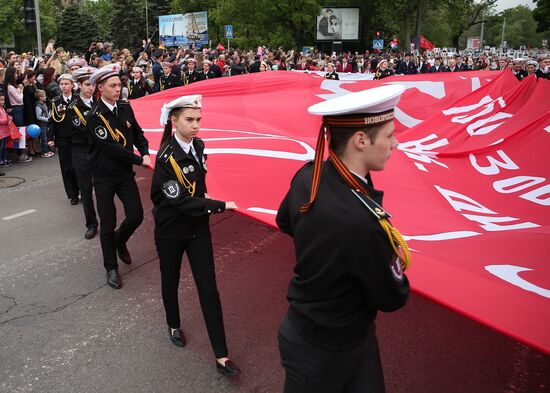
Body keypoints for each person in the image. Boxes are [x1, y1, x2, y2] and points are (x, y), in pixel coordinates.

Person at [276, 85, 411, 393]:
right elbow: (392, 296)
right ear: (360, 140)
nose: (396, 143)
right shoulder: (362, 223)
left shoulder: (307, 175)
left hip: (325, 336)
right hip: (324, 352)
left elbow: (284, 221)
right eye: (389, 136)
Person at [151, 94, 240, 376]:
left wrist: (205, 196)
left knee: (208, 288)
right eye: (190, 120)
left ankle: (221, 355)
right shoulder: (166, 157)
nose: (196, 125)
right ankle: (173, 323)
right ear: (174, 121)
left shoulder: (199, 145)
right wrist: (218, 205)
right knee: (171, 279)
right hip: (172, 229)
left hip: (197, 228)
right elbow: (179, 201)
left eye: (199, 119)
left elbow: (197, 185)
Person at [86, 64, 151, 289]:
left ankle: (119, 240)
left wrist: (145, 152)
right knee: (108, 222)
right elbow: (110, 148)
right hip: (104, 175)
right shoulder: (94, 116)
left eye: (119, 85)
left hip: (124, 174)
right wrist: (138, 160)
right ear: (100, 88)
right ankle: (111, 268)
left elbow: (138, 133)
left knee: (136, 215)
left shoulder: (124, 107)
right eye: (112, 86)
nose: (118, 89)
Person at [67, 66, 99, 240]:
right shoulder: (74, 107)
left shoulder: (99, 104)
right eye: (87, 84)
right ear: (79, 85)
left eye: (93, 84)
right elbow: (86, 130)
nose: (90, 88)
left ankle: (107, 221)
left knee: (103, 187)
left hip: (99, 150)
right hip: (82, 151)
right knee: (86, 190)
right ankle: (91, 224)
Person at [48, 73, 79, 204]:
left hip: (78, 138)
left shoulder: (79, 99)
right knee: (66, 167)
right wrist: (50, 138)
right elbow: (52, 121)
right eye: (61, 84)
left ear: (72, 85)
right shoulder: (56, 101)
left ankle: (82, 190)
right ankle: (72, 194)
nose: (64, 86)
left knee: (78, 166)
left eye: (66, 84)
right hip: (63, 138)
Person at [34, 89, 54, 157]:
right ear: (40, 97)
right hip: (42, 124)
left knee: (46, 137)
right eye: (44, 96)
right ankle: (44, 152)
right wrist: (48, 119)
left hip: (46, 124)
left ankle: (47, 150)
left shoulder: (44, 104)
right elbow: (38, 117)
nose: (45, 97)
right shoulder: (38, 106)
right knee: (43, 138)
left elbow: (46, 112)